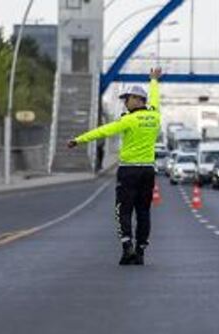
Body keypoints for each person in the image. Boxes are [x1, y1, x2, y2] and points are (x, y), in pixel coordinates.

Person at [68, 68, 162, 266]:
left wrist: (78, 140)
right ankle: (141, 251)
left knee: (123, 209)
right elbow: (155, 98)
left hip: (129, 171)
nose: (125, 102)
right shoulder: (155, 116)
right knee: (143, 211)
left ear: (137, 100)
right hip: (148, 171)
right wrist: (153, 80)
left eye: (127, 98)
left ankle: (127, 246)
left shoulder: (128, 120)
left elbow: (103, 131)